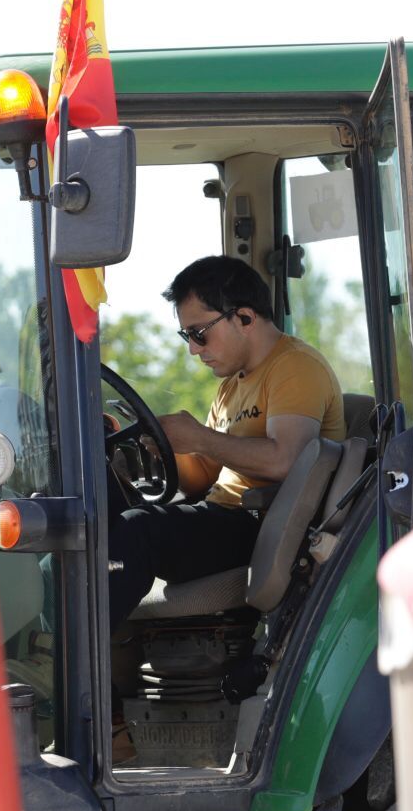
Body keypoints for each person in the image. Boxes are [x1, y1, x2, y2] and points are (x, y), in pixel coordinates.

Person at [107, 256, 347, 627]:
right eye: (187, 336)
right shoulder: (230, 386)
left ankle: (69, 663)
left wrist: (201, 438)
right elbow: (203, 478)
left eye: (199, 333)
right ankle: (48, 644)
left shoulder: (296, 367)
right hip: (224, 516)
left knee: (136, 532)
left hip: (266, 528)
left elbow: (287, 461)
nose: (193, 348)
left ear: (244, 318)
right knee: (93, 514)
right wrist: (167, 446)